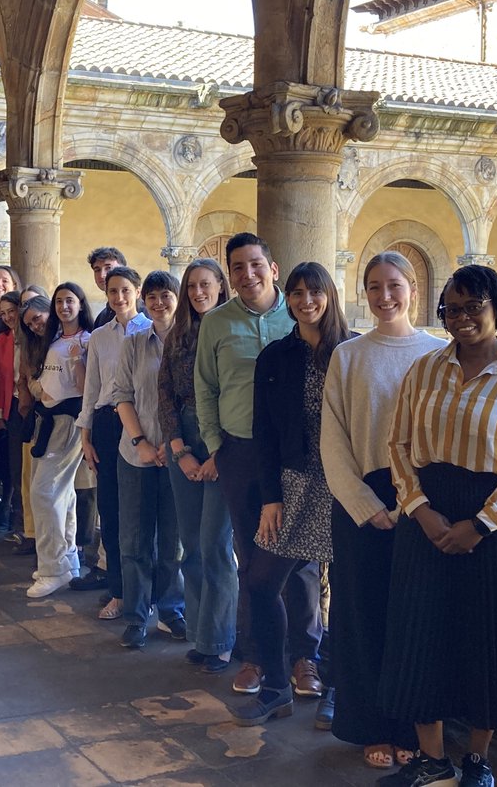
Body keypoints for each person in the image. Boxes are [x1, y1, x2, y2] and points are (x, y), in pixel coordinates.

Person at [378, 265, 497, 787]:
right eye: (451, 309)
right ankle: (433, 760)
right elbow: (399, 445)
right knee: (422, 635)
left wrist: (480, 525)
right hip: (428, 515)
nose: (461, 318)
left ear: (496, 307)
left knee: (488, 639)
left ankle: (478, 762)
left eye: (472, 306)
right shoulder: (426, 369)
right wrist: (421, 509)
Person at [320, 252, 445, 766]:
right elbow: (333, 438)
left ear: (413, 288)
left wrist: (416, 501)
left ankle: (411, 729)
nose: (384, 296)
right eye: (374, 287)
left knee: (414, 622)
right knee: (362, 615)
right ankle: (370, 725)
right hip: (362, 503)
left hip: (423, 502)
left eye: (394, 285)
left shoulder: (439, 354)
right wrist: (365, 503)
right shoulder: (348, 356)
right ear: (364, 293)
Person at [194, 232, 319, 697]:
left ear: (273, 267)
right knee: (251, 556)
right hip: (241, 452)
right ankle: (257, 658)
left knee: (301, 560)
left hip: (296, 457)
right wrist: (216, 445)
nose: (247, 275)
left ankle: (304, 657)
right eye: (238, 268)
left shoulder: (301, 313)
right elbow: (204, 387)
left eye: (254, 264)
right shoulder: (217, 323)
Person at [231, 262, 352, 726]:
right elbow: (263, 431)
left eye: (314, 292)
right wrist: (271, 497)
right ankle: (279, 686)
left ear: (329, 296)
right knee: (261, 582)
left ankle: (337, 691)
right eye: (297, 292)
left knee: (346, 593)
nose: (306, 301)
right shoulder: (276, 357)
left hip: (346, 486)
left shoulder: (351, 351)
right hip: (297, 484)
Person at [160, 258, 236, 673]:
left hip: (224, 440)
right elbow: (165, 393)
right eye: (191, 286)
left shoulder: (232, 331)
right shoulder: (179, 335)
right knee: (190, 542)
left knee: (215, 544)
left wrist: (217, 453)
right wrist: (179, 448)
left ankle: (222, 639)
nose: (198, 292)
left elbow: (239, 394)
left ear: (221, 287)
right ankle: (201, 635)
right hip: (184, 438)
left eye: (206, 284)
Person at [110, 270, 186, 647]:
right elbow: (121, 395)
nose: (158, 303)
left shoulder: (191, 343)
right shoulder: (134, 343)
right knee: (136, 540)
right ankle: (137, 617)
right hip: (136, 454)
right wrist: (140, 441)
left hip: (180, 456)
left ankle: (172, 611)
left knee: (173, 541)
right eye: (152, 297)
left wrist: (174, 446)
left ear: (178, 298)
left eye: (165, 295)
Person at [77, 265, 152, 617]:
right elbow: (92, 385)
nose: (119, 297)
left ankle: (150, 595)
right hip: (108, 424)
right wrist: (86, 434)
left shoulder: (151, 330)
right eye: (112, 292)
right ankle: (119, 592)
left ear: (136, 292)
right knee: (110, 509)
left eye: (125, 290)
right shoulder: (100, 336)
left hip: (142, 421)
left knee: (142, 512)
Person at [23, 282, 93, 598]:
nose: (64, 306)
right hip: (48, 421)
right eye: (59, 301)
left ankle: (52, 569)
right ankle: (67, 561)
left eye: (70, 300)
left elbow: (85, 388)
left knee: (44, 492)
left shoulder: (87, 339)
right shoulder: (54, 339)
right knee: (61, 495)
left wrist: (80, 361)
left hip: (68, 422)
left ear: (80, 304)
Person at [12, 290, 51, 555]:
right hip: (37, 417)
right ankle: (35, 535)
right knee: (34, 481)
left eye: (38, 318)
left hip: (66, 419)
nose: (36, 326)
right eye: (30, 323)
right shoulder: (30, 346)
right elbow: (28, 382)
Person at [0, 290, 24, 532]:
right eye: (4, 313)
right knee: (11, 467)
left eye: (12, 311)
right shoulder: (1, 340)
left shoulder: (38, 336)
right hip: (11, 410)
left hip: (34, 408)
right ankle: (14, 518)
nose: (9, 317)